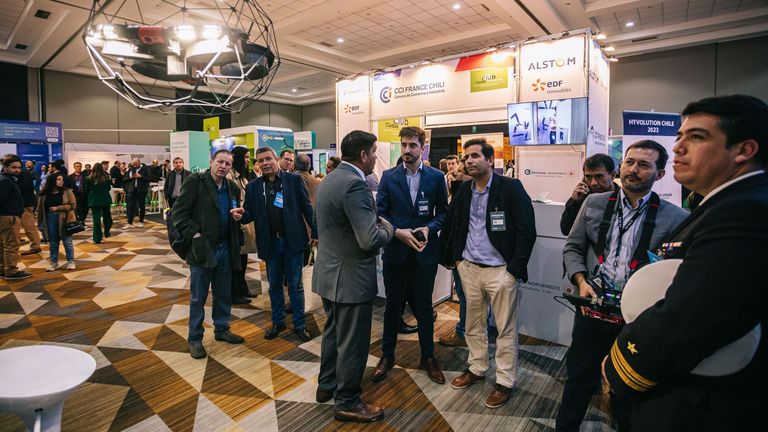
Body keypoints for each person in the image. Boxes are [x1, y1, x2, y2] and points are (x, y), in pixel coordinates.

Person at [602, 95, 768, 431]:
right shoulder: (727, 203)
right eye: (679, 136)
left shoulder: (743, 210)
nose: (678, 147)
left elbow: (690, 317)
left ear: (744, 150)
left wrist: (617, 366)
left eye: (697, 137)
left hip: (702, 398)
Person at [556, 141, 688, 432]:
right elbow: (573, 247)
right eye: (629, 162)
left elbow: (676, 273)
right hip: (593, 308)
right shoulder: (594, 203)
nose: (633, 169)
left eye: (644, 165)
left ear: (660, 174)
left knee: (629, 390)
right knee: (578, 380)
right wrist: (581, 281)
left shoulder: (676, 218)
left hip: (637, 320)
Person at [440, 137, 536, 409]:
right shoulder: (464, 189)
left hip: (501, 271)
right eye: (465, 157)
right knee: (473, 325)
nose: (468, 161)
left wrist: (514, 269)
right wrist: (456, 259)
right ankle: (477, 367)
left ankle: (504, 381)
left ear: (490, 160)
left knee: (505, 329)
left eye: (474, 156)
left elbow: (527, 230)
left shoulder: (511, 188)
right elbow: (454, 223)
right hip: (469, 269)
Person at [313, 130, 394, 423]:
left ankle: (327, 385)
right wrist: (389, 227)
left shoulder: (330, 179)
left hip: (329, 275)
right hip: (350, 280)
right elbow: (370, 239)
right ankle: (347, 401)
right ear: (363, 155)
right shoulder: (355, 185)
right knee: (354, 343)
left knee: (334, 334)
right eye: (373, 152)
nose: (375, 157)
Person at [372, 126, 449, 385]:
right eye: (404, 145)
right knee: (393, 306)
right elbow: (380, 214)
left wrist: (430, 228)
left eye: (412, 145)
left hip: (425, 254)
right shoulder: (388, 176)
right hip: (396, 253)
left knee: (424, 307)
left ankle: (428, 356)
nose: (407, 149)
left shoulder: (436, 177)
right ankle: (387, 356)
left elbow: (443, 213)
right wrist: (396, 232)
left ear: (422, 148)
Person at [234, 147, 317, 341]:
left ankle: (299, 324)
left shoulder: (294, 180)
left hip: (293, 242)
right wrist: (241, 216)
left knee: (295, 286)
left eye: (268, 159)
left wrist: (315, 232)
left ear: (276, 159)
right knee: (274, 286)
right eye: (260, 160)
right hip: (270, 244)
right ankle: (278, 322)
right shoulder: (254, 187)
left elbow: (307, 208)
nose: (265, 163)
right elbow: (249, 214)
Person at [172, 149, 245, 359]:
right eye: (220, 162)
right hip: (203, 248)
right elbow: (178, 214)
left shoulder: (232, 187)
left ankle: (222, 329)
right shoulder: (196, 181)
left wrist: (238, 216)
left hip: (225, 248)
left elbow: (234, 212)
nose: (223, 166)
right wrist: (195, 234)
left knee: (223, 293)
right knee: (198, 297)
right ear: (211, 161)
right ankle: (194, 338)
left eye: (228, 164)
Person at [226, 147, 257, 304]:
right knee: (236, 260)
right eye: (245, 157)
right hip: (234, 223)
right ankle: (234, 292)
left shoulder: (243, 177)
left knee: (243, 259)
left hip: (244, 222)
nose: (247, 160)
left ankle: (242, 288)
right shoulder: (230, 176)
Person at [560, 153, 616, 236]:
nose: (593, 183)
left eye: (599, 176)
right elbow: (566, 230)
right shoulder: (583, 197)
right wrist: (576, 202)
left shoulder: (623, 197)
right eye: (588, 177)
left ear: (613, 175)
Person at [37, 173, 77, 272]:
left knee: (67, 241)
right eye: (58, 179)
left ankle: (71, 261)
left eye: (62, 179)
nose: (61, 181)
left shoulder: (67, 192)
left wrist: (59, 208)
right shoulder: (43, 195)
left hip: (64, 219)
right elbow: (40, 210)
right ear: (52, 181)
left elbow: (73, 205)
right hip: (50, 218)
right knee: (53, 242)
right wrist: (40, 223)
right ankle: (54, 262)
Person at [0, 155, 31, 280]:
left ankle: (3, 268)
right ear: (5, 167)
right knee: (11, 245)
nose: (17, 170)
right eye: (13, 167)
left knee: (4, 245)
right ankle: (11, 271)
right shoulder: (6, 181)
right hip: (8, 217)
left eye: (19, 167)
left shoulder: (7, 179)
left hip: (7, 216)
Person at [12, 157, 41, 256]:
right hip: (22, 203)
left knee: (29, 225)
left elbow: (25, 188)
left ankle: (35, 246)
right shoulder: (22, 171)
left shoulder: (23, 172)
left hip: (25, 203)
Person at [85, 163, 113, 244]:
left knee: (96, 220)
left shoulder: (88, 178)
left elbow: (87, 190)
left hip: (94, 201)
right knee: (107, 218)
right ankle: (107, 232)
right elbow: (108, 188)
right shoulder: (106, 178)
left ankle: (97, 238)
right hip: (105, 200)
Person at [122, 158, 149, 229]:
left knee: (142, 206)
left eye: (136, 164)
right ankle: (129, 223)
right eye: (134, 164)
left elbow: (150, 178)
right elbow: (124, 180)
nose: (135, 165)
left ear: (139, 162)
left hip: (141, 190)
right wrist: (130, 177)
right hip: (131, 190)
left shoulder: (145, 169)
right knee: (130, 206)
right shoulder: (129, 169)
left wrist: (140, 176)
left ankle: (141, 222)